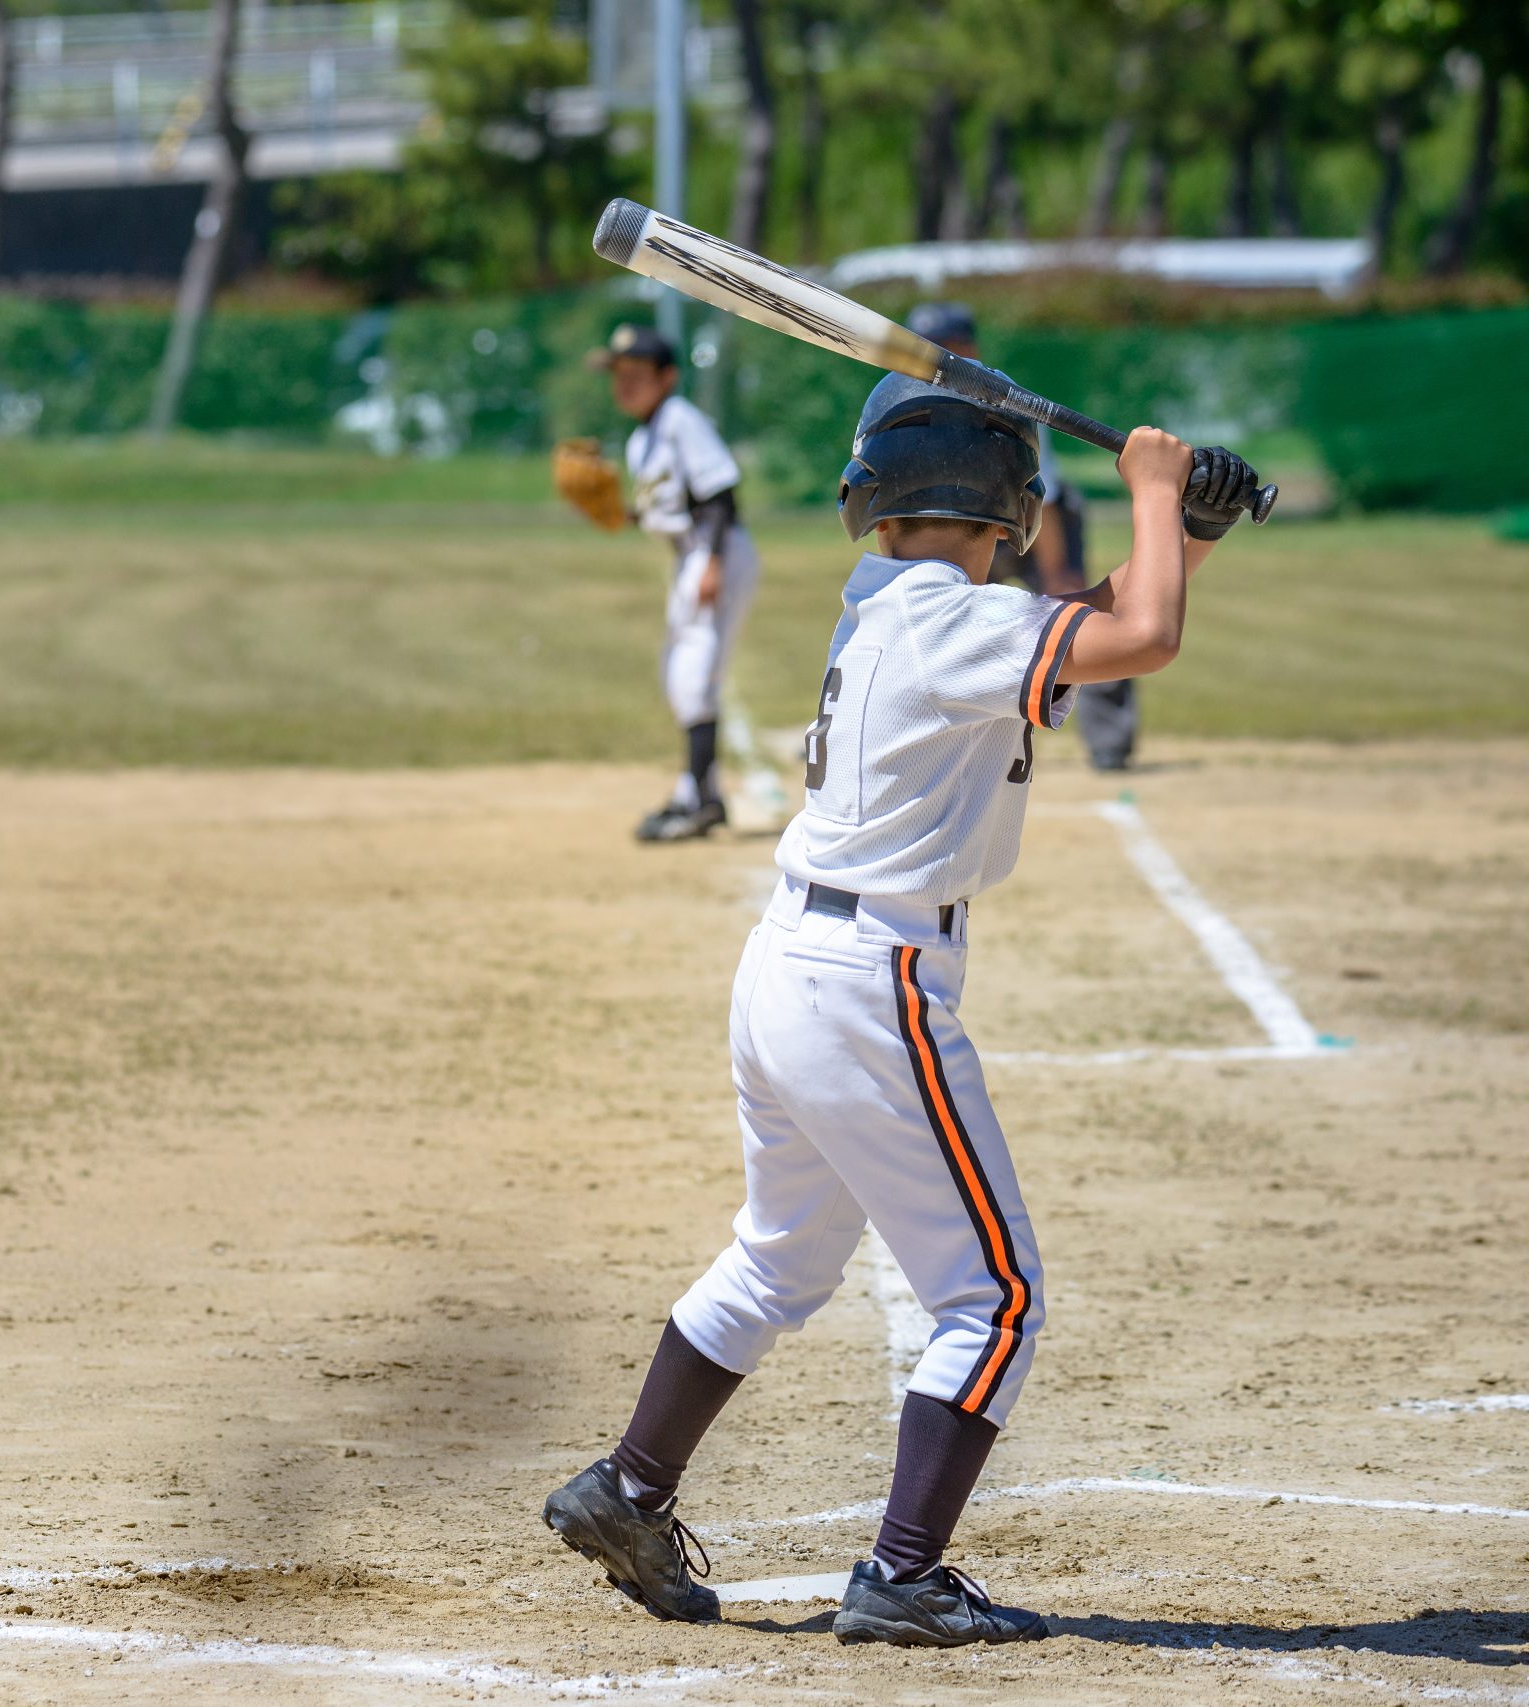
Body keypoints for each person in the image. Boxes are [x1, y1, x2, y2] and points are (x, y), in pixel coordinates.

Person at [539, 375, 1262, 1644]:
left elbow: (1092, 626)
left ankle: (629, 1487)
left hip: (786, 968)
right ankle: (904, 1576)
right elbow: (1137, 640)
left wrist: (1183, 535)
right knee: (997, 1300)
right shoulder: (962, 624)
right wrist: (1151, 489)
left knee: (777, 1260)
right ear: (1011, 506)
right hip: (872, 985)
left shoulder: (893, 606)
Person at [907, 302, 1137, 772]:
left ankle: (1110, 744)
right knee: (931, 623)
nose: (933, 357)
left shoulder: (1003, 396)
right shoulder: (907, 397)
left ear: (968, 348)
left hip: (1030, 515)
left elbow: (1041, 491)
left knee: (1082, 616)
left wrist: (1055, 569)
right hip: (961, 522)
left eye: (944, 347)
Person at [593, 322, 760, 842]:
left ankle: (696, 800)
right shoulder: (643, 436)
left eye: (636, 373)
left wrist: (709, 563)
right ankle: (704, 795)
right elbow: (671, 510)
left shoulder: (680, 420)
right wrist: (622, 514)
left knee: (692, 678)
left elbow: (720, 495)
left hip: (717, 553)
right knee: (679, 675)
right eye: (618, 374)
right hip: (694, 557)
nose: (624, 383)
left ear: (666, 377)